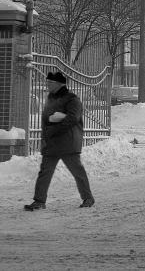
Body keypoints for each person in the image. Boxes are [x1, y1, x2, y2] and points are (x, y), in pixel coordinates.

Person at [24, 71, 94, 211]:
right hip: (52, 143)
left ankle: (88, 198)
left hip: (68, 142)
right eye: (47, 82)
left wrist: (53, 129)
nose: (47, 85)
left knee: (77, 172)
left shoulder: (72, 99)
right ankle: (39, 201)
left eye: (50, 83)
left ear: (59, 84)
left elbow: (72, 119)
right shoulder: (51, 98)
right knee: (45, 172)